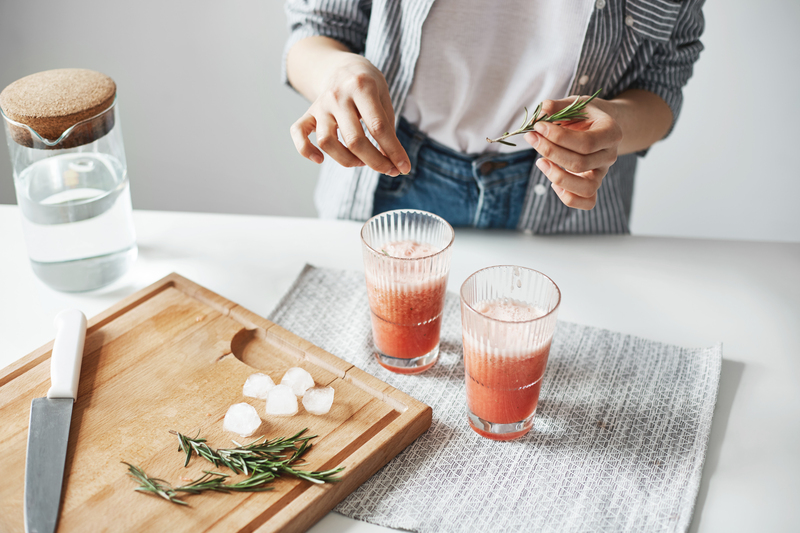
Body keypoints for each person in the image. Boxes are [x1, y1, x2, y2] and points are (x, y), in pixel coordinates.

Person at [283, 0, 705, 233]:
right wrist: (336, 72)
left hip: (564, 205)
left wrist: (617, 126)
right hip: (387, 178)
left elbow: (664, 83)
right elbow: (316, 28)